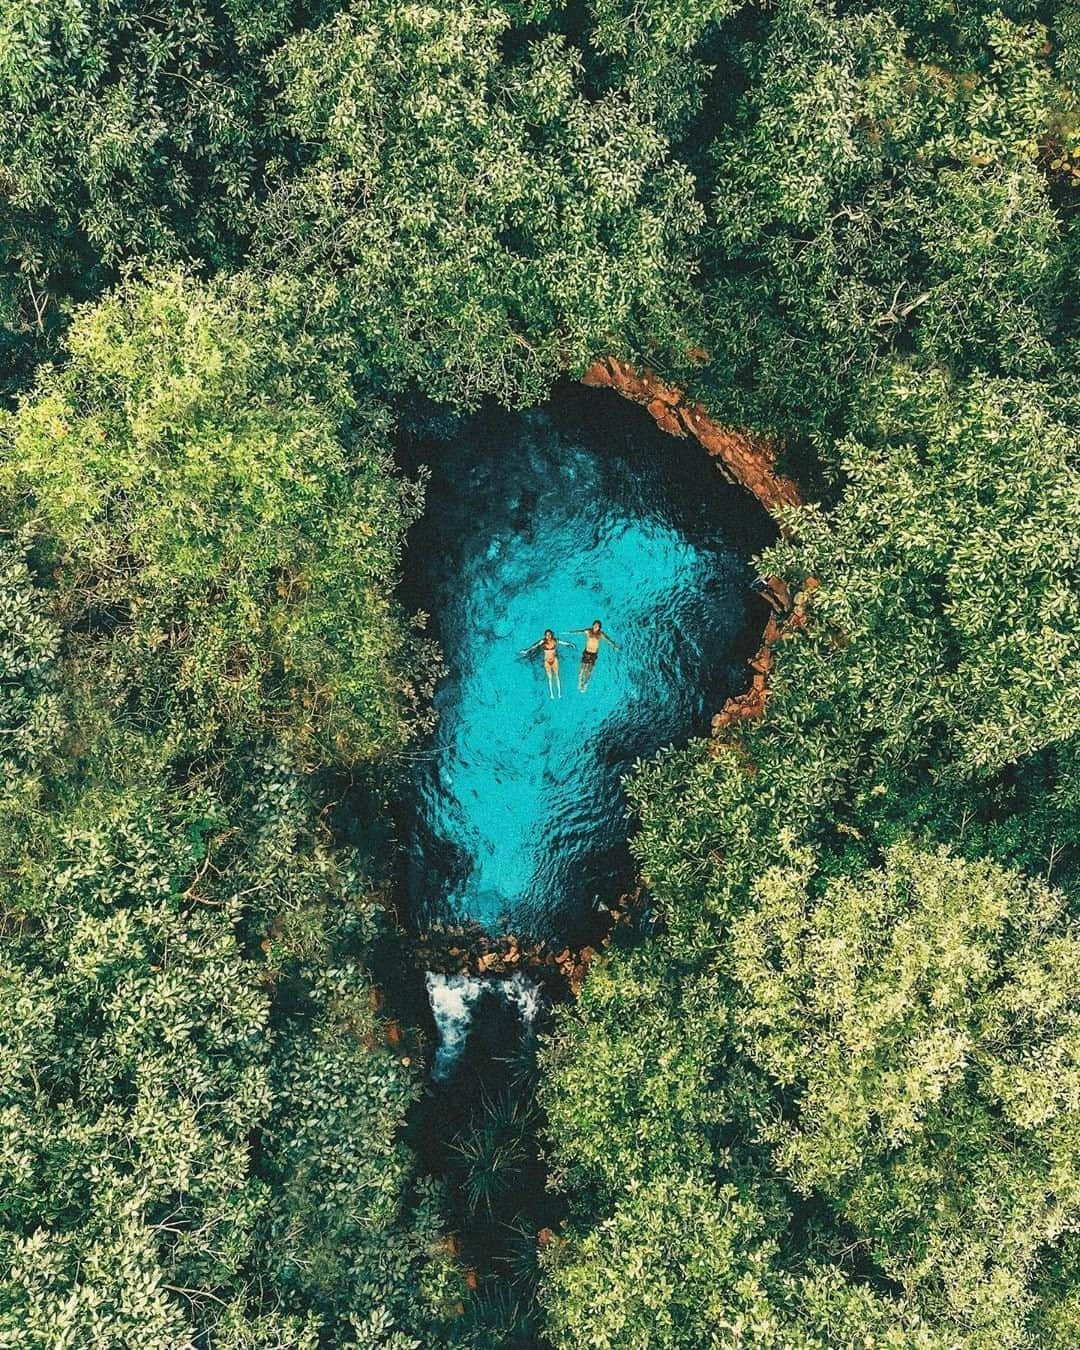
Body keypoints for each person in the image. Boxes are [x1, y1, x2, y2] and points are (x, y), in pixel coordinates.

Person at [521, 629, 576, 699]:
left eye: (549, 635)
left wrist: (571, 644)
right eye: (547, 635)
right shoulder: (543, 642)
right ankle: (552, 694)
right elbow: (535, 645)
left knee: (557, 676)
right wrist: (527, 650)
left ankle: (559, 694)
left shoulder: (555, 641)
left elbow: (563, 642)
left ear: (551, 635)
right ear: (545, 636)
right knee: (550, 678)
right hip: (547, 661)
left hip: (554, 660)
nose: (548, 636)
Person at [568, 620, 619, 692]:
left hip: (593, 654)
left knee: (589, 671)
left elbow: (608, 640)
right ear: (593, 625)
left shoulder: (601, 634)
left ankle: (585, 684)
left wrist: (614, 646)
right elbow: (579, 632)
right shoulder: (588, 631)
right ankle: (579, 683)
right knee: (582, 670)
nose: (596, 626)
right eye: (595, 625)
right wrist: (571, 633)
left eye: (597, 626)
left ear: (599, 628)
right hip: (586, 652)